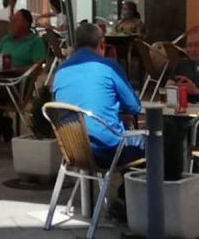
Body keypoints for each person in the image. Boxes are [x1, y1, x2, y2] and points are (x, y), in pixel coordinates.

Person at [51, 22, 144, 168]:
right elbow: (134, 106)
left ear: (76, 45)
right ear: (102, 44)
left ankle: (124, 190)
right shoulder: (108, 67)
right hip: (107, 151)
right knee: (153, 141)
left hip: (72, 150)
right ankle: (130, 190)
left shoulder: (60, 71)